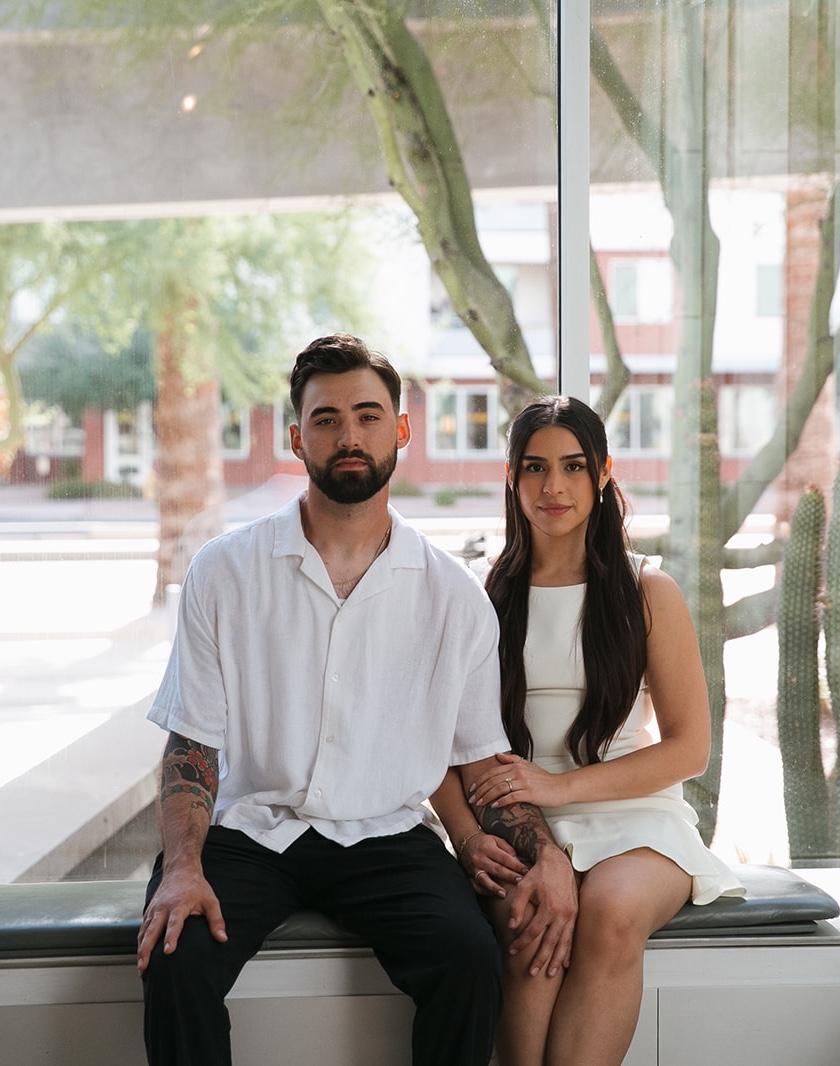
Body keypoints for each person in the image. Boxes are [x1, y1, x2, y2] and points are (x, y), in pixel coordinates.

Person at [136, 335, 577, 1066]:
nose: (349, 436)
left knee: (469, 958)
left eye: (369, 416)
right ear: (296, 438)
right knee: (175, 951)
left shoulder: (454, 598)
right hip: (250, 831)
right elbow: (192, 746)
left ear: (400, 430)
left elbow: (480, 761)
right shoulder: (224, 572)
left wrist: (549, 857)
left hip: (387, 834)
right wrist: (182, 867)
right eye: (327, 419)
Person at [435, 396, 744, 1066]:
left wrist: (559, 787)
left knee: (610, 913)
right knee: (529, 920)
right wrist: (491, 825)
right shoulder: (482, 596)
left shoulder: (647, 591)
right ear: (512, 478)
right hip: (518, 819)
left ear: (603, 474)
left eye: (573, 467)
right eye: (535, 467)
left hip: (637, 818)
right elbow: (446, 744)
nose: (554, 486)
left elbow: (690, 748)